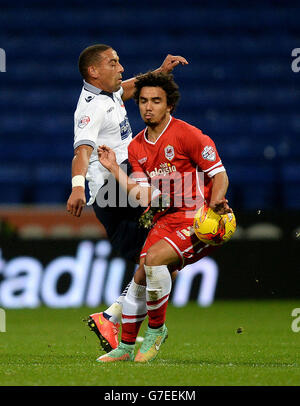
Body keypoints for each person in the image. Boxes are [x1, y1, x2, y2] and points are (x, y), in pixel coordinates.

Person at [96, 71, 232, 363]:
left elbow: (219, 174)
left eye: (156, 101)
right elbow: (144, 196)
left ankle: (156, 331)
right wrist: (113, 169)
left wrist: (217, 200)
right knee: (141, 275)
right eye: (143, 100)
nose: (148, 106)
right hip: (164, 220)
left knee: (155, 259)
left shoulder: (188, 135)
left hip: (197, 221)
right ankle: (126, 347)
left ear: (169, 105)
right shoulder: (136, 147)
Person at [66, 44, 188, 352]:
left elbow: (129, 87)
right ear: (94, 71)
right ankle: (122, 320)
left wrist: (159, 73)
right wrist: (78, 186)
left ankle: (110, 317)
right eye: (113, 63)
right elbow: (82, 151)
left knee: (161, 262)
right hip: (112, 189)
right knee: (165, 246)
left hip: (121, 184)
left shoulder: (109, 94)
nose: (121, 68)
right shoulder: (90, 108)